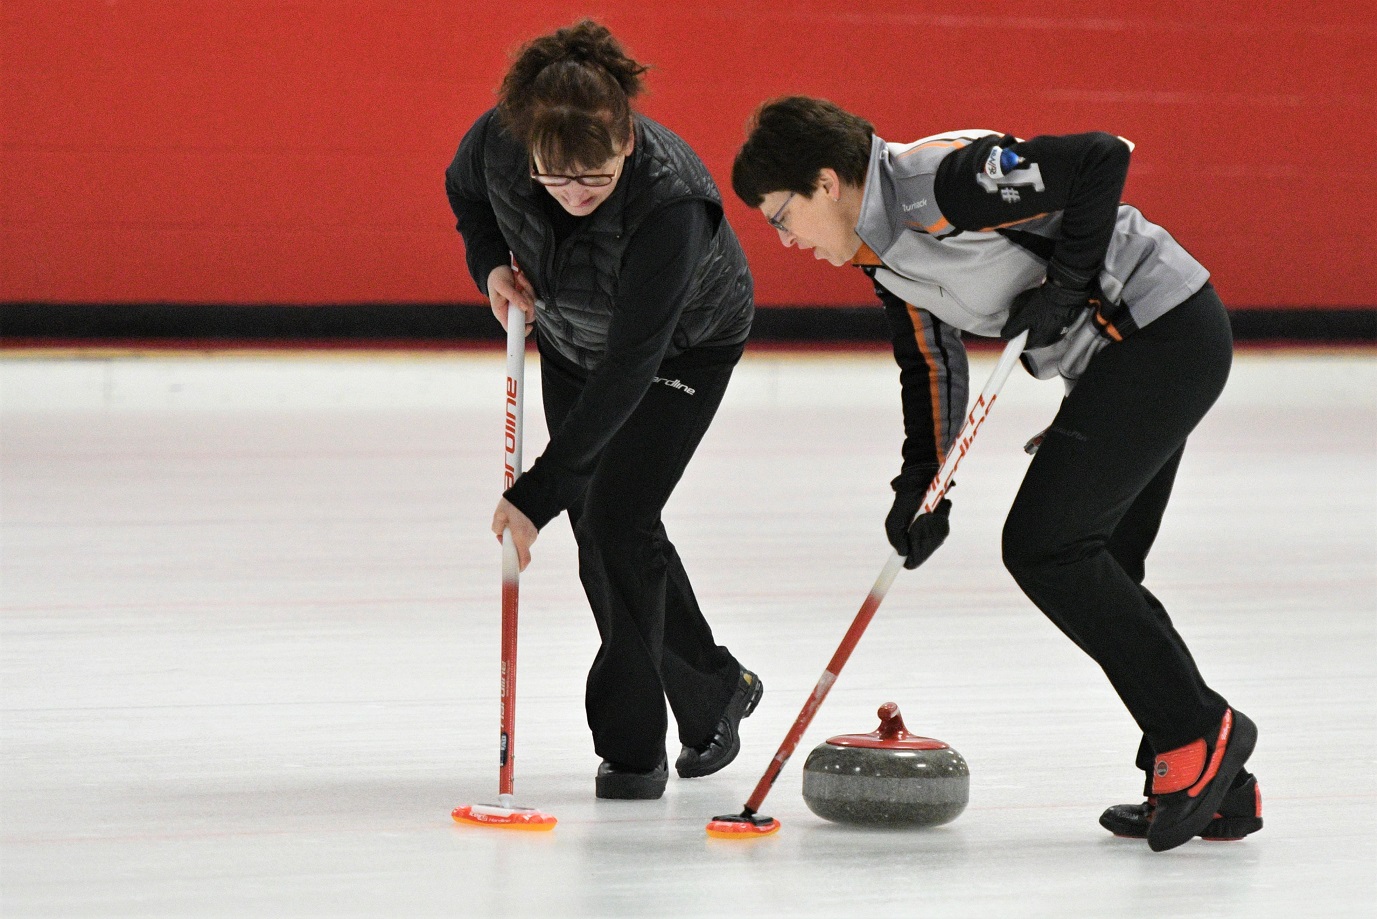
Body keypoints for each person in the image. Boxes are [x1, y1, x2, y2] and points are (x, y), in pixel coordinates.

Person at [731, 96, 1261, 851]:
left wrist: (1067, 287)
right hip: (1120, 362)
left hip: (1163, 333)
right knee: (1101, 565)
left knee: (1048, 545)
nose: (783, 239)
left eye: (780, 215)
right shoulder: (879, 256)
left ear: (824, 183)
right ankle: (1218, 784)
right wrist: (923, 483)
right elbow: (928, 362)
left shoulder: (939, 186)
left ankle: (1199, 733)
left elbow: (1099, 156)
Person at [444, 21, 761, 801]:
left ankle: (630, 748)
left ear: (626, 142)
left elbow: (631, 369)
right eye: (555, 182)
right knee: (608, 522)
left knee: (613, 515)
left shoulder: (670, 204)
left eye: (594, 179)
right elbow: (467, 197)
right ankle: (713, 686)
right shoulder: (496, 144)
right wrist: (489, 265)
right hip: (570, 339)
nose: (575, 197)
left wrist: (534, 495)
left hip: (679, 351)